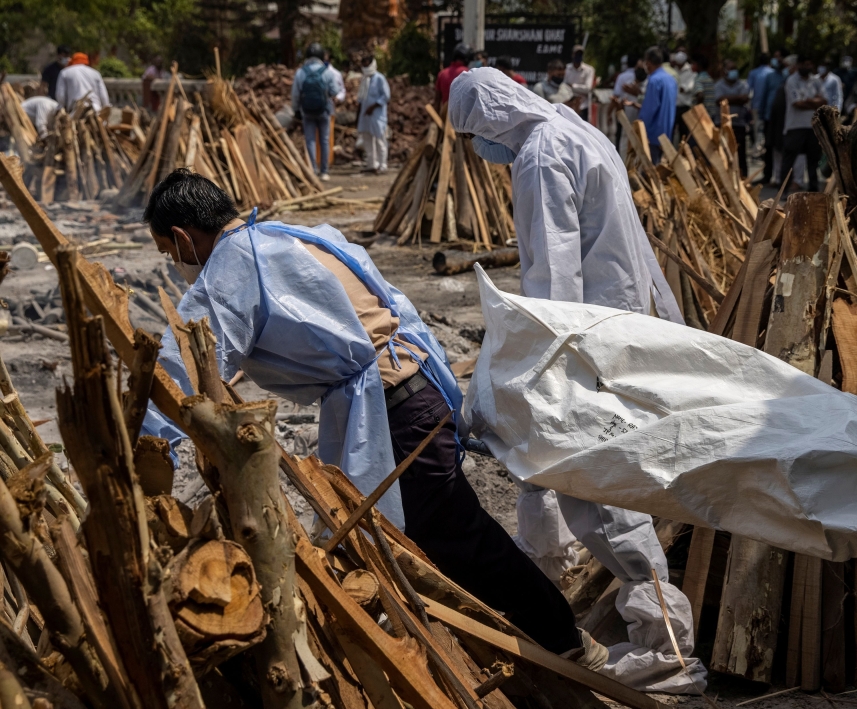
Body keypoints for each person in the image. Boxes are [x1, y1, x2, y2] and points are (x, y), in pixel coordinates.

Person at [139, 168, 607, 668]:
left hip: (392, 409)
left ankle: (563, 642)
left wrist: (145, 445)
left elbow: (179, 368)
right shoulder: (296, 235)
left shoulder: (227, 272)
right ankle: (517, 642)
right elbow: (394, 303)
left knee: (454, 535)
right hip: (415, 386)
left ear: (185, 237)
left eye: (171, 253)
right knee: (424, 535)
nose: (176, 264)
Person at [449, 68, 706, 694]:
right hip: (617, 325)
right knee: (553, 470)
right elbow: (632, 248)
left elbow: (552, 275)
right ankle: (551, 592)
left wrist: (531, 364)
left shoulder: (539, 158)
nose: (479, 150)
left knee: (599, 489)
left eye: (472, 135)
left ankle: (667, 648)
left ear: (488, 119)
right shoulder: (578, 130)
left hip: (584, 340)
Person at [292, 43, 342, 181]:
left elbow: (295, 94)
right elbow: (335, 92)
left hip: (307, 111)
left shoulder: (300, 72)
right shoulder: (327, 72)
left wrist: (296, 110)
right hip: (324, 110)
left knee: (310, 140)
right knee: (324, 140)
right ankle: (324, 171)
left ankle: (312, 170)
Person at [782, 55, 826, 192]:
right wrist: (813, 102)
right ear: (799, 65)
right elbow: (797, 104)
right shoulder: (791, 81)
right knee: (790, 159)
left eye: (809, 65)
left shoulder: (816, 81)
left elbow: (823, 100)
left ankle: (813, 189)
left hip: (812, 126)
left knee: (813, 160)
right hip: (795, 126)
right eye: (805, 64)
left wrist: (807, 101)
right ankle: (784, 189)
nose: (807, 68)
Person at [638, 46, 678, 164]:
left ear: (648, 63)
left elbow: (650, 108)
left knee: (650, 169)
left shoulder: (654, 80)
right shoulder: (671, 79)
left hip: (653, 132)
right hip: (666, 131)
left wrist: (640, 128)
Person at [714, 60, 751, 175]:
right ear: (725, 71)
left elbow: (745, 98)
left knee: (740, 152)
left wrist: (729, 99)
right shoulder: (719, 85)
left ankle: (743, 175)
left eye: (734, 68)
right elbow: (720, 100)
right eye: (730, 69)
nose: (733, 72)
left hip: (739, 123)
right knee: (724, 152)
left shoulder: (742, 84)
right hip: (723, 124)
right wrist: (737, 99)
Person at [755, 50, 786, 185]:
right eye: (775, 58)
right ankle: (767, 175)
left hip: (785, 117)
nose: (777, 61)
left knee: (782, 147)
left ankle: (782, 177)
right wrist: (761, 113)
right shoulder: (770, 76)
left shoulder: (788, 76)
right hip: (769, 116)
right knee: (769, 146)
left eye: (780, 58)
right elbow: (764, 95)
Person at [357, 55, 390, 174]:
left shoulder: (379, 78)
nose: (365, 65)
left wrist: (374, 106)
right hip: (365, 115)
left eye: (367, 63)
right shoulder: (364, 79)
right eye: (363, 63)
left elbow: (386, 96)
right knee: (367, 140)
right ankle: (372, 164)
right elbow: (361, 99)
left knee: (380, 140)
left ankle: (383, 164)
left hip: (377, 115)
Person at [748, 53, 774, 152]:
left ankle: (759, 148)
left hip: (757, 105)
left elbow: (749, 90)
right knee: (767, 129)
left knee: (758, 128)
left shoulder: (754, 73)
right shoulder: (772, 73)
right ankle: (766, 148)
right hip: (769, 107)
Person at [564, 44, 596, 122]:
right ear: (572, 54)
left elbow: (588, 88)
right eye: (576, 54)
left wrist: (572, 86)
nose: (578, 56)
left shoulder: (589, 70)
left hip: (583, 106)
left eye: (580, 54)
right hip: (569, 105)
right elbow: (564, 86)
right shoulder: (566, 68)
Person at [672, 49, 697, 141]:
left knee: (683, 132)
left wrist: (677, 88)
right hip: (674, 105)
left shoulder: (690, 71)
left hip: (684, 106)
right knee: (671, 130)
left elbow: (687, 88)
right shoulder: (674, 71)